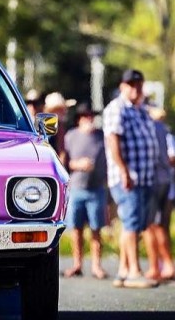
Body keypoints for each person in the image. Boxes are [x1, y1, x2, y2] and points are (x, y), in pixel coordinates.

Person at [103, 69, 159, 289]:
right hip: (127, 176)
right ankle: (134, 271)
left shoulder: (141, 110)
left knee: (135, 222)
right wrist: (124, 171)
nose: (136, 88)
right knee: (131, 222)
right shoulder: (117, 109)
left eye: (139, 84)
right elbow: (113, 141)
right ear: (122, 86)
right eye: (131, 85)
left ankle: (123, 271)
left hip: (144, 177)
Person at [62, 103, 109, 280]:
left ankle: (97, 266)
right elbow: (64, 162)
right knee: (76, 229)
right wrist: (78, 164)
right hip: (76, 189)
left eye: (91, 116)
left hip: (96, 189)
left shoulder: (101, 136)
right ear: (79, 119)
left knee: (96, 229)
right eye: (86, 116)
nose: (89, 119)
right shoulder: (71, 136)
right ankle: (77, 264)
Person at [143, 106, 175, 282]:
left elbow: (172, 158)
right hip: (164, 182)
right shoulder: (166, 132)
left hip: (156, 181)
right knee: (159, 226)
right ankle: (163, 265)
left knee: (153, 226)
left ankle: (159, 266)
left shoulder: (155, 130)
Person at [44, 91, 75, 165]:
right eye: (61, 109)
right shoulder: (50, 123)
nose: (65, 111)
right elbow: (61, 150)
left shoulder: (53, 123)